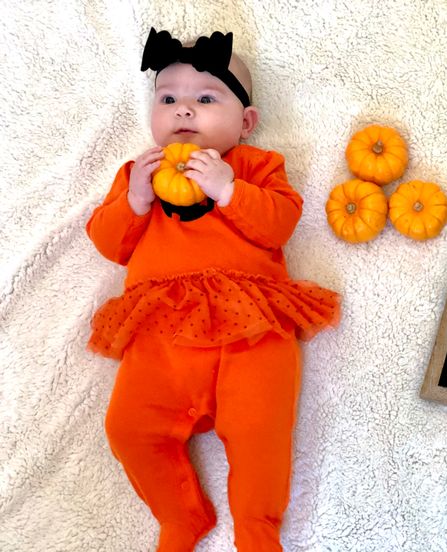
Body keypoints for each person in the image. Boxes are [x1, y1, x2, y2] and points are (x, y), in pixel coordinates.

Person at [86, 28, 339, 552]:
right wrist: (133, 202)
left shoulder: (255, 168)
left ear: (245, 123)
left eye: (205, 99)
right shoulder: (139, 175)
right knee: (128, 429)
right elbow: (110, 244)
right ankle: (181, 516)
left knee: (260, 432)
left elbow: (279, 225)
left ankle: (257, 529)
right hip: (164, 331)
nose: (184, 111)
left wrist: (227, 189)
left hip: (252, 326)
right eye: (168, 98)